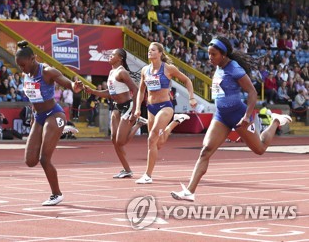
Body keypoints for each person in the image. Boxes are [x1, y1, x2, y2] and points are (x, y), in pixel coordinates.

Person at [171, 36, 292, 202]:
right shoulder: (218, 67)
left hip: (238, 115)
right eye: (208, 54)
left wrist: (247, 116)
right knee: (205, 150)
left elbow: (252, 93)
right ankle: (190, 191)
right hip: (221, 116)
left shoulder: (234, 68)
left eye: (213, 54)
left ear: (223, 54)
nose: (210, 58)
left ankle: (276, 121)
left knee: (260, 149)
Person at [15, 40, 83, 206]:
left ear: (33, 59)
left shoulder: (46, 71)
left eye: (23, 65)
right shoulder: (26, 75)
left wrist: (74, 86)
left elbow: (66, 82)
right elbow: (33, 97)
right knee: (30, 161)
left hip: (54, 114)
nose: (22, 69)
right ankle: (61, 130)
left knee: (45, 159)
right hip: (39, 117)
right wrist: (33, 116)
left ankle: (56, 194)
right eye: (19, 66)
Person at [133, 42, 196, 184]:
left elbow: (187, 80)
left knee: (151, 138)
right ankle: (175, 122)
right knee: (158, 143)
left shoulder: (168, 68)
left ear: (160, 53)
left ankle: (147, 175)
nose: (150, 52)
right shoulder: (145, 70)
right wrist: (137, 108)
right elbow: (141, 90)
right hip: (151, 108)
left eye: (153, 50)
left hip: (165, 107)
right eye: (149, 50)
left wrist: (191, 97)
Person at [84, 49, 148, 179]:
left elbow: (135, 90)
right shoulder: (112, 72)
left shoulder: (122, 72)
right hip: (115, 107)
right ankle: (127, 170)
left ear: (120, 58)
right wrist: (93, 91)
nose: (110, 56)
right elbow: (110, 93)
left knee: (120, 142)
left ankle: (138, 124)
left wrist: (136, 110)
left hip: (126, 107)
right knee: (114, 140)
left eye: (113, 55)